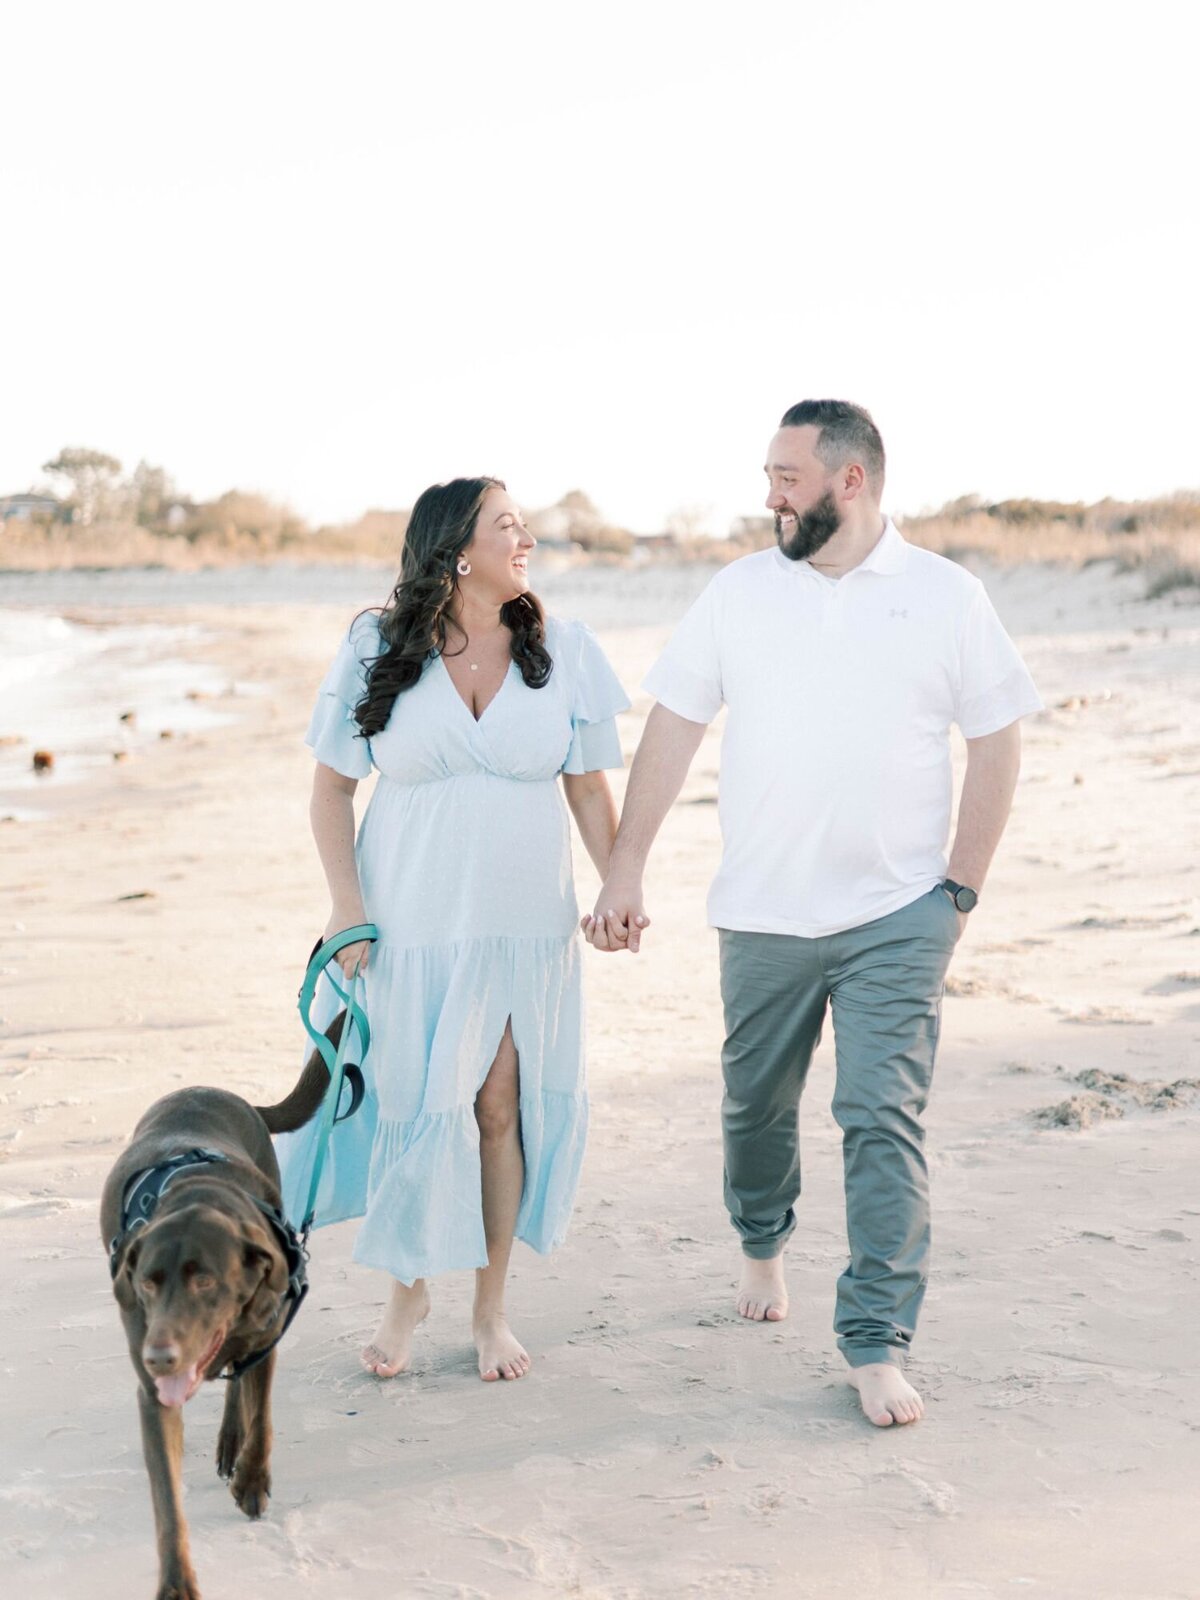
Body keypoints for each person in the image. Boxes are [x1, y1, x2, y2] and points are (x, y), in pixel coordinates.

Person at [585, 400, 1042, 1427]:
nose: (769, 495)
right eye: (769, 474)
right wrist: (625, 868)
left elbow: (998, 740)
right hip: (762, 914)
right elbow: (674, 725)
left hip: (897, 915)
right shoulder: (739, 593)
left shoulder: (946, 596)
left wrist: (957, 893)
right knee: (754, 1111)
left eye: (787, 476)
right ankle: (762, 1237)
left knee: (882, 1118)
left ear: (851, 480)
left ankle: (877, 1339)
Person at [276, 477, 628, 1382]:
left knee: (499, 1104)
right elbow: (329, 791)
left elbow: (587, 785)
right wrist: (347, 909)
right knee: (414, 1102)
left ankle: (490, 1307)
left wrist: (620, 880)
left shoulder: (565, 649)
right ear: (457, 550)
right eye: (509, 525)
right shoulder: (376, 645)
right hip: (412, 917)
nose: (530, 540)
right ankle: (408, 1294)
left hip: (523, 922)